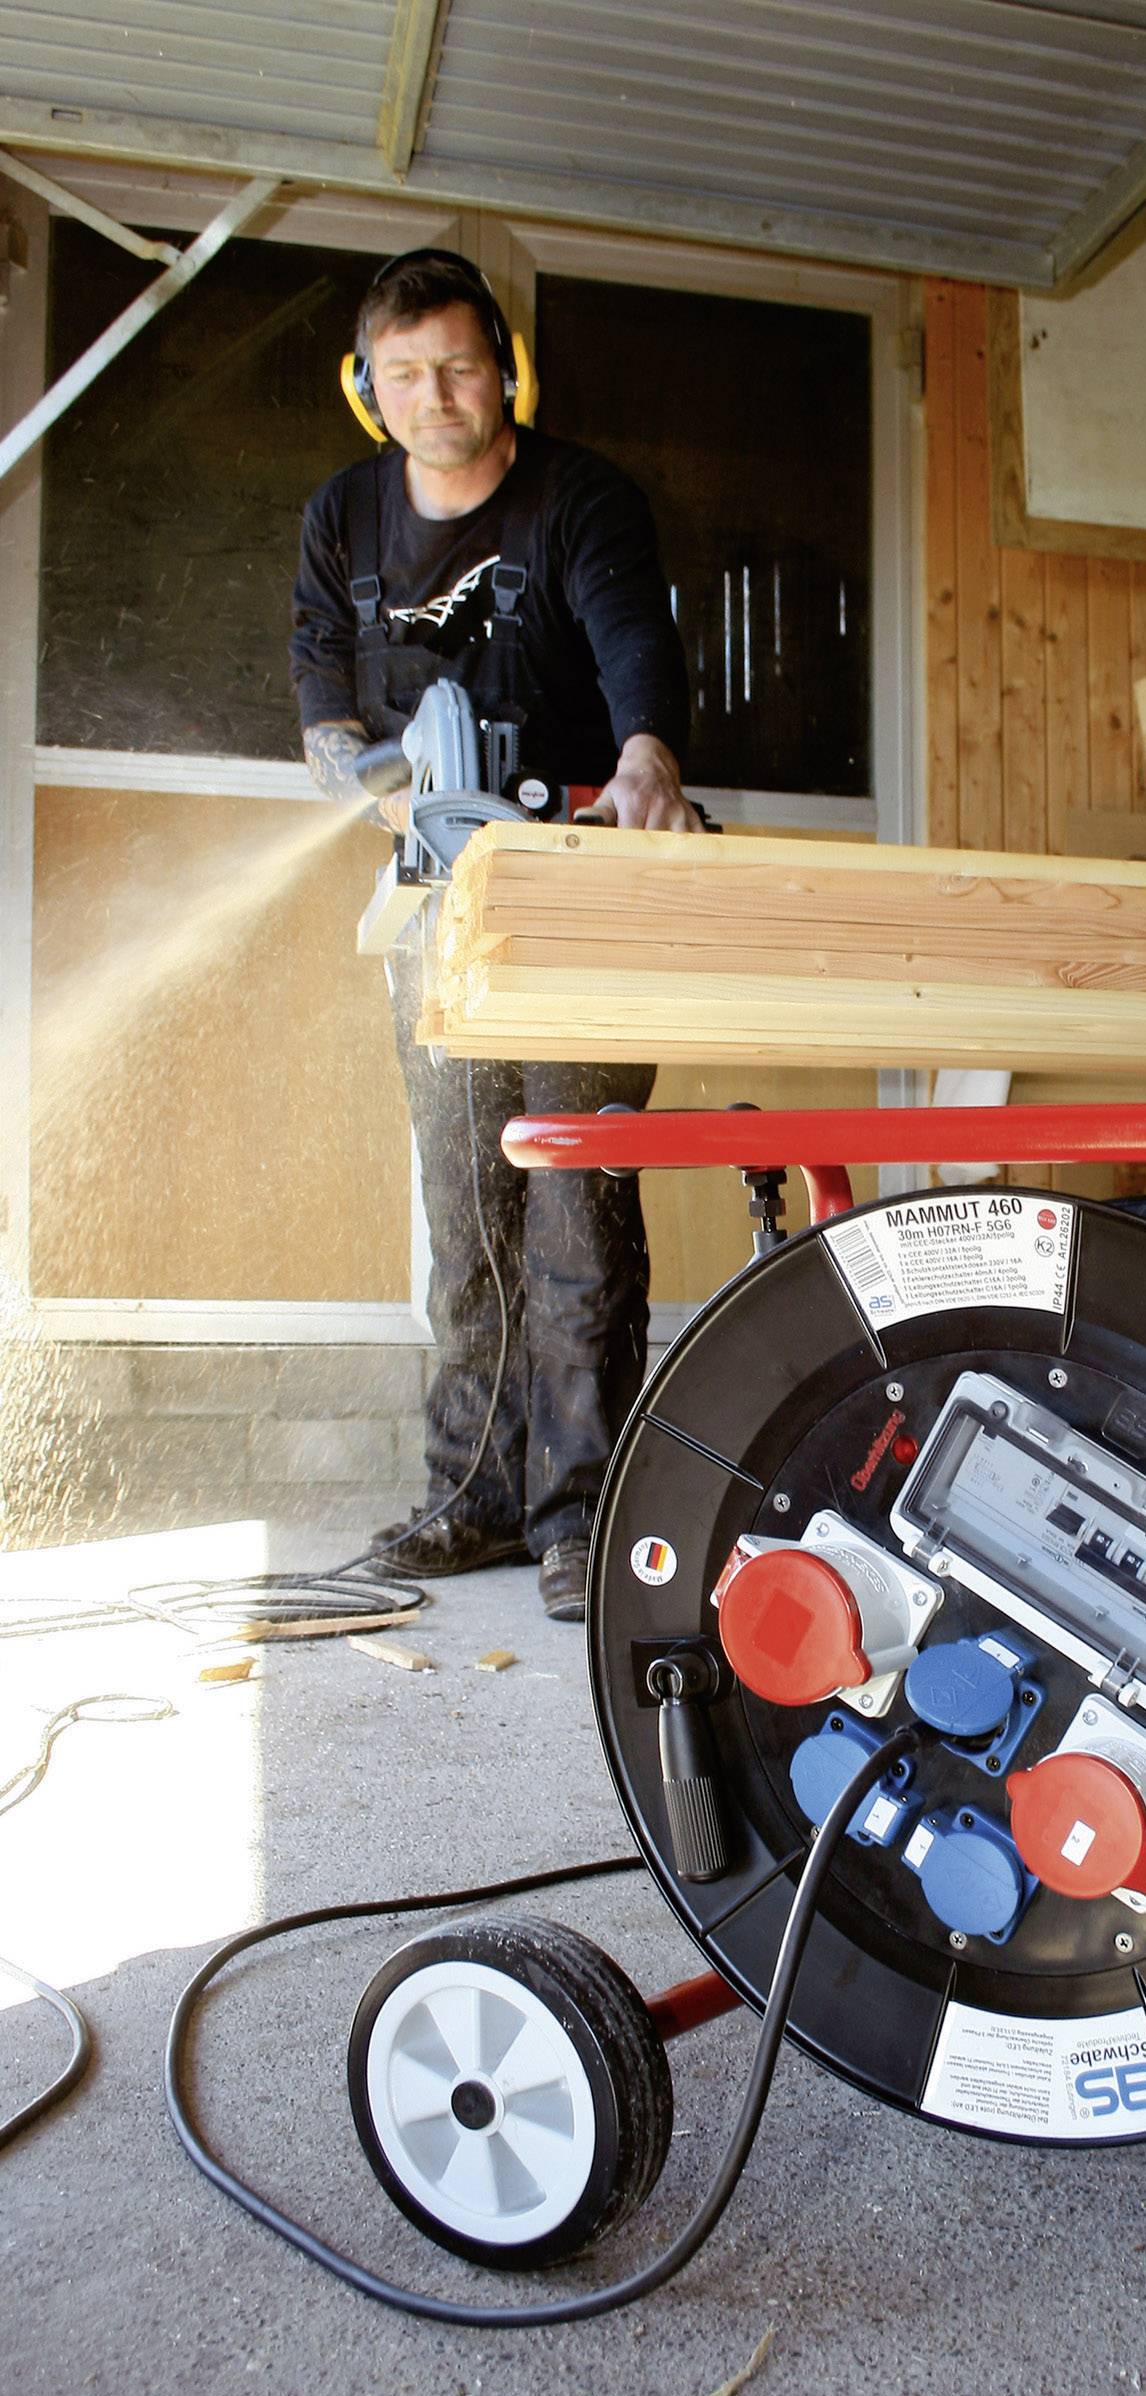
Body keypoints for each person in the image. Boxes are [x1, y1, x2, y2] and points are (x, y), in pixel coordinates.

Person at [289, 248, 697, 1619]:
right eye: (404, 373)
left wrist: (646, 757)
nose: (435, 395)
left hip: (582, 893)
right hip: (434, 909)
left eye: (458, 365)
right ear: (367, 387)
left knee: (576, 1203)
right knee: (466, 1214)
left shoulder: (578, 497)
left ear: (503, 366)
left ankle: (581, 1515)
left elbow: (634, 635)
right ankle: (466, 1497)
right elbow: (322, 704)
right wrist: (364, 778)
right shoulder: (343, 517)